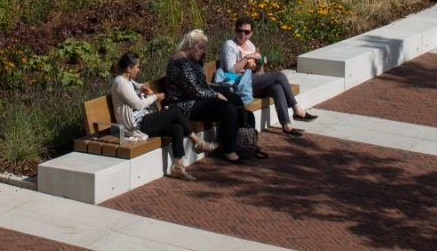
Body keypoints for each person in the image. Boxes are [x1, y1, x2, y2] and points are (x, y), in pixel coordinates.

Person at [110, 51, 217, 181]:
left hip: (144, 120)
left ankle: (178, 167)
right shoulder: (119, 82)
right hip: (136, 125)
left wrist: (142, 87)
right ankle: (197, 142)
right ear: (129, 68)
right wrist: (156, 97)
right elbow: (137, 104)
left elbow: (135, 85)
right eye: (137, 67)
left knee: (177, 128)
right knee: (175, 112)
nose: (139, 69)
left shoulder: (127, 80)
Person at [222, 19, 316, 137]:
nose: (242, 34)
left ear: (251, 33)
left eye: (246, 32)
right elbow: (230, 70)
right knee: (279, 75)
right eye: (239, 30)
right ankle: (296, 109)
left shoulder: (251, 45)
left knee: (277, 88)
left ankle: (286, 125)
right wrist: (247, 57)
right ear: (235, 30)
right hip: (237, 84)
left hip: (251, 80)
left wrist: (259, 63)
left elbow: (254, 69)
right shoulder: (229, 45)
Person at [164, 29, 246, 163]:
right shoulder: (180, 61)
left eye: (203, 48)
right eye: (200, 48)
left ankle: (241, 140)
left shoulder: (191, 59)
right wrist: (215, 94)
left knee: (235, 98)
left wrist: (201, 60)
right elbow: (193, 90)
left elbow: (201, 82)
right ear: (190, 45)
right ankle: (229, 150)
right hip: (185, 104)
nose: (202, 51)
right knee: (227, 109)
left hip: (197, 98)